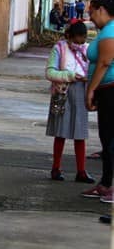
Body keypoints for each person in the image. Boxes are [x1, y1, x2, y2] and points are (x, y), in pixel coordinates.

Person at [45, 21, 94, 183]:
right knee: (61, 132)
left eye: (82, 41)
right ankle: (56, 168)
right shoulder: (59, 48)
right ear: (69, 36)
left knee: (80, 133)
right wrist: (70, 76)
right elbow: (50, 72)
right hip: (63, 92)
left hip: (81, 91)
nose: (79, 45)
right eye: (76, 41)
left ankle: (81, 171)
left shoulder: (87, 50)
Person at [82, 0, 114, 205]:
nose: (90, 18)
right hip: (106, 91)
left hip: (110, 90)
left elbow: (104, 62)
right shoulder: (107, 30)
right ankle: (105, 183)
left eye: (92, 12)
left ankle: (110, 186)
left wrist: (90, 90)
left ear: (101, 10)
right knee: (106, 138)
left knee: (111, 139)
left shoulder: (110, 31)